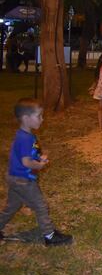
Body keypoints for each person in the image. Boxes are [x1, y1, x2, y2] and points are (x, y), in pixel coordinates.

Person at [0, 98, 72, 246]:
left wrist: (39, 157)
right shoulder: (24, 138)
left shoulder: (26, 135)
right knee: (41, 206)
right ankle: (50, 236)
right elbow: (26, 162)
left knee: (12, 206)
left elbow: (30, 154)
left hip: (15, 178)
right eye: (39, 116)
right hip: (23, 180)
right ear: (26, 118)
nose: (42, 119)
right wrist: (39, 165)